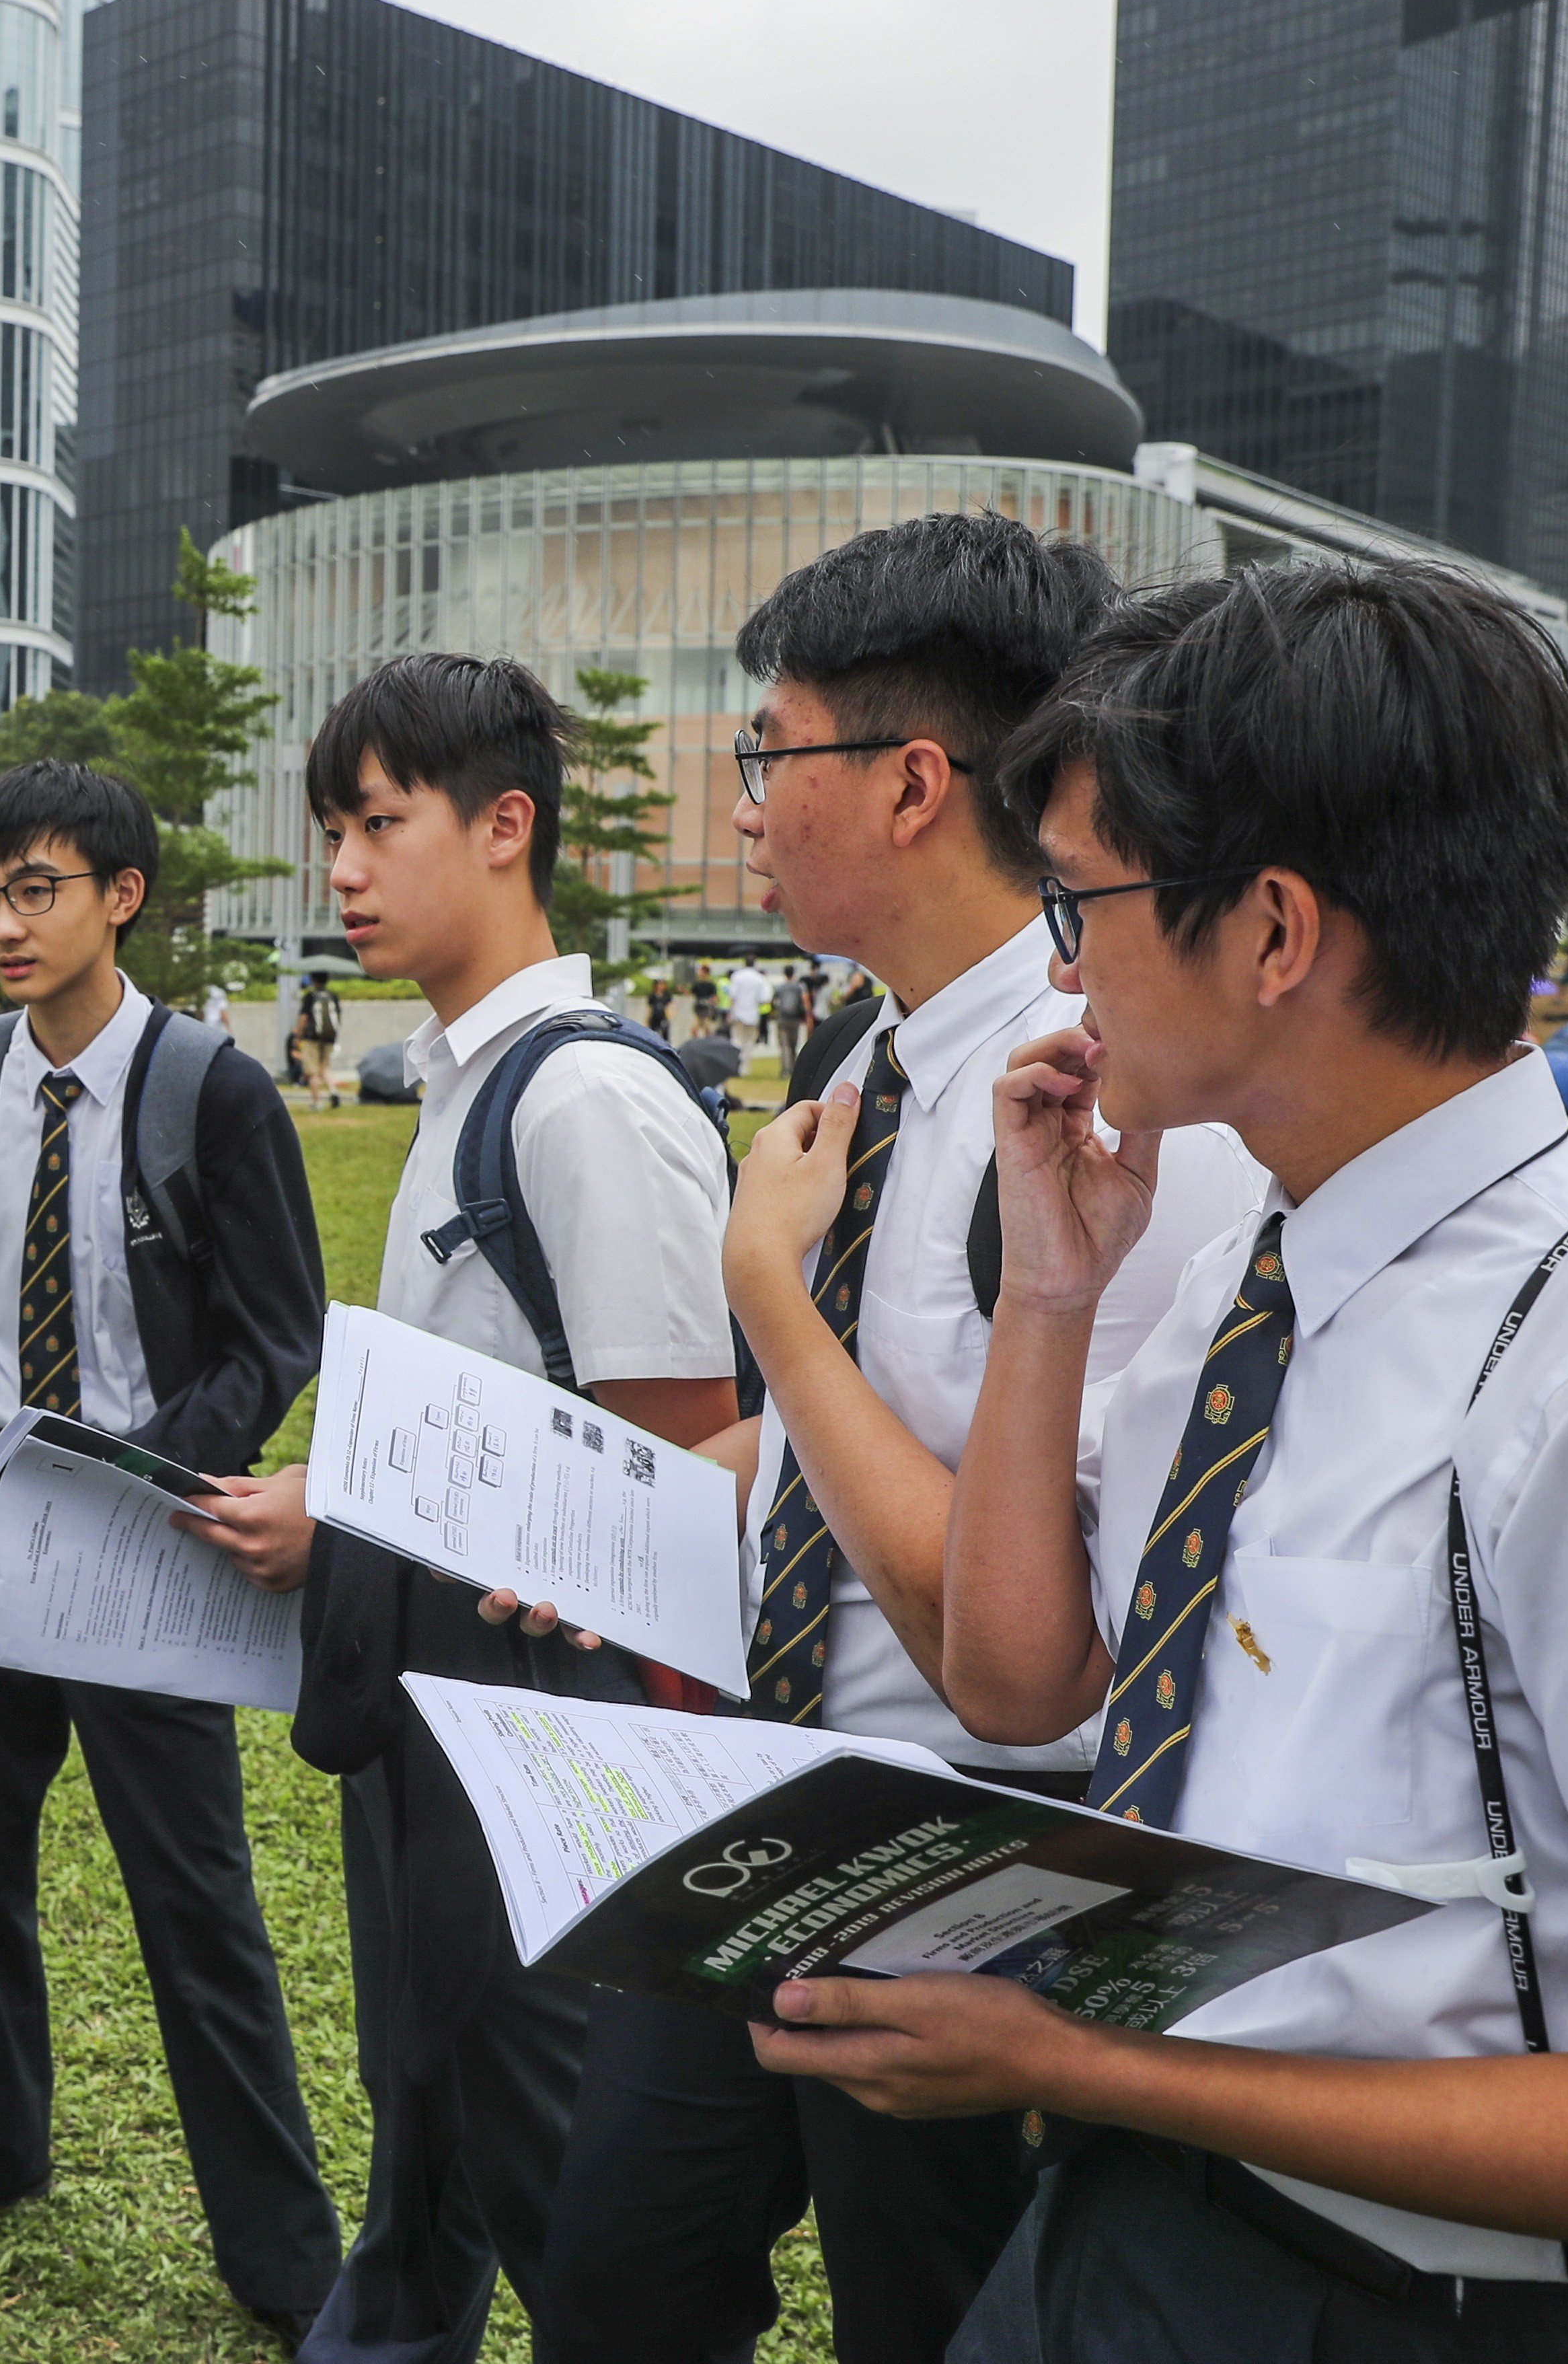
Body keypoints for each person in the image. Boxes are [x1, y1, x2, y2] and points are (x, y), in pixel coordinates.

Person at [757, 556, 1568, 2361]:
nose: (1057, 966)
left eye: (1081, 902)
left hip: (1419, 2295)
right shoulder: (1250, 1266)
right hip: (1130, 2202)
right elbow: (1018, 1669)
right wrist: (1052, 1292)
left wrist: (1091, 2057)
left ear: (1273, 931)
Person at [533, 513, 1267, 2364]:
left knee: (925, 2302)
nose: (747, 799)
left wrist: (762, 1286)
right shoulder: (863, 1057)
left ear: (912, 778)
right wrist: (602, 1513)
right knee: (614, 2256)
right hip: (778, 1791)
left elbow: (1044, 1616)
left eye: (770, 751)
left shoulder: (1112, 1105)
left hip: (976, 1828)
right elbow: (826, 1448)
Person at [182, 653, 739, 2364]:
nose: (340, 869)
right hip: (430, 1722)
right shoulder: (464, 1086)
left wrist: (340, 1517)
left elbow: (675, 1488)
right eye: (330, 829)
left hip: (549, 1748)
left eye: (377, 822)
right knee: (426, 2122)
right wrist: (340, 1500)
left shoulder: (591, 1100)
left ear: (508, 827)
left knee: (568, 2185)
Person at [0, 760, 342, 2340]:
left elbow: (281, 1329)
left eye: (34, 888)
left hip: (142, 1527)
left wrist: (155, 1461)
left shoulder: (213, 1086)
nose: (2, 921)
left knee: (195, 1898)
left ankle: (279, 2246)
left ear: (120, 896)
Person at [293, 967, 346, 1109]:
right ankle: (334, 1092)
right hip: (328, 1038)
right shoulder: (332, 996)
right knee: (326, 1067)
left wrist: (298, 1035)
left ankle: (317, 1102)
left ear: (313, 980)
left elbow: (304, 1018)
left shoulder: (310, 996)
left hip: (311, 1038)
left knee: (312, 1071)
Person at [727, 956, 774, 1064]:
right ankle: (744, 1067)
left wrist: (730, 1012)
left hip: (738, 1014)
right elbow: (766, 998)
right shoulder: (760, 978)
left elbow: (732, 996)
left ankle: (734, 1064)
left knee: (737, 1039)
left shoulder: (737, 976)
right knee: (749, 1042)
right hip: (753, 1015)